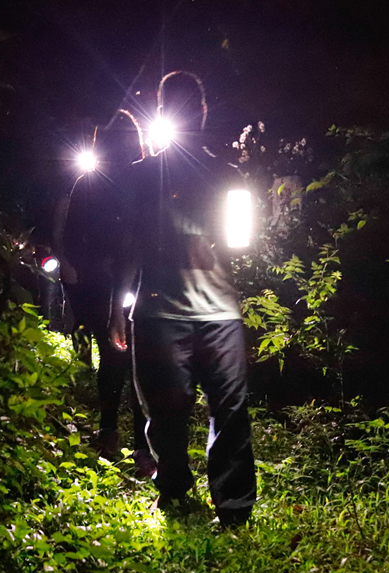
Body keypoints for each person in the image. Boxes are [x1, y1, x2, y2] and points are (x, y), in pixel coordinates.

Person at [110, 76, 257, 527]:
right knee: (165, 410)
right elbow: (128, 245)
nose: (190, 113)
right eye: (179, 105)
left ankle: (233, 508)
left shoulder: (227, 173)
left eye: (194, 105)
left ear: (203, 113)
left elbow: (240, 242)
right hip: (158, 311)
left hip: (219, 312)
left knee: (230, 409)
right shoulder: (141, 176)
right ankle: (173, 489)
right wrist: (118, 306)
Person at [53, 125, 156, 477]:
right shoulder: (91, 184)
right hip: (103, 282)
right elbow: (72, 236)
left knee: (130, 363)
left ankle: (134, 442)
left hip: (131, 281)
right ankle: (116, 434)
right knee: (120, 360)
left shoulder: (141, 180)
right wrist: (81, 270)